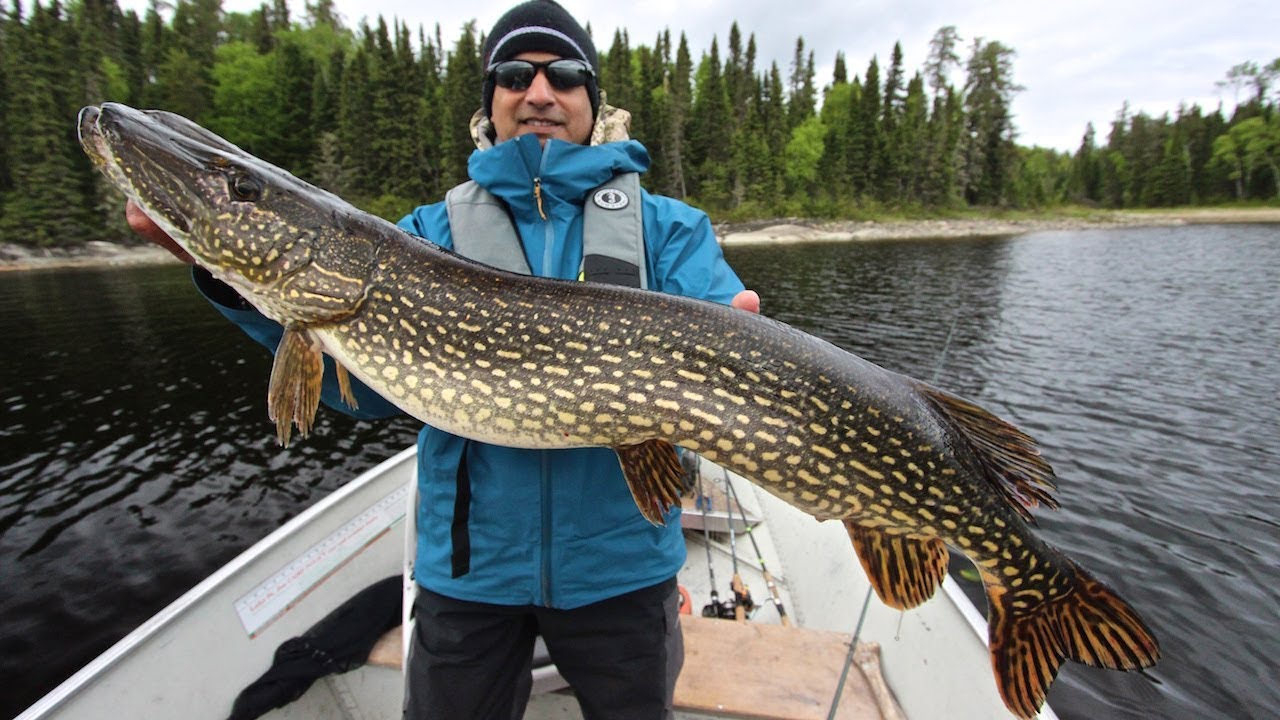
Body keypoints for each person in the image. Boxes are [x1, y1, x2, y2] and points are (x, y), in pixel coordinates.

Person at [128, 1, 758, 718]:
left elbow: (727, 360)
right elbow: (362, 394)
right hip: (468, 572)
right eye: (516, 74)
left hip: (622, 569)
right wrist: (229, 277)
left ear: (594, 98)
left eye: (566, 74)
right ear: (490, 101)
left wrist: (746, 364)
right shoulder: (423, 237)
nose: (540, 93)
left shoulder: (670, 231)